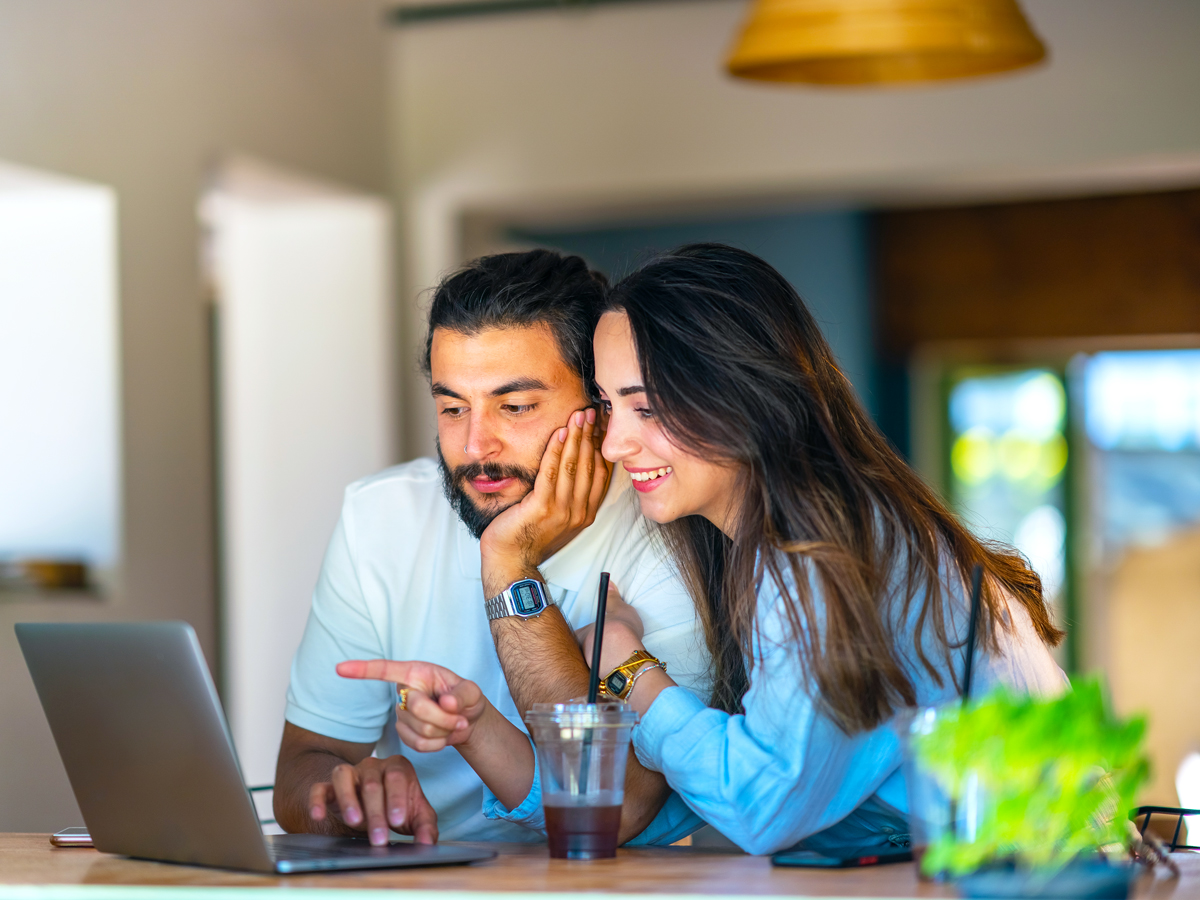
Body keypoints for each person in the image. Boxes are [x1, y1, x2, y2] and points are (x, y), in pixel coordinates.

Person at [356, 243, 1067, 854]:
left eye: (647, 407)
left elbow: (762, 807)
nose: (613, 444)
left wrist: (627, 669)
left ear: (737, 392)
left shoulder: (826, 558)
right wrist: (481, 726)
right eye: (607, 407)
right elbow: (680, 802)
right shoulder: (763, 547)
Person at [273, 249, 710, 847]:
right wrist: (349, 797)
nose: (476, 445)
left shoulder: (677, 537)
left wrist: (508, 561)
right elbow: (305, 763)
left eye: (517, 406)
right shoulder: (379, 517)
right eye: (453, 407)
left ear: (600, 405)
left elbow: (624, 808)